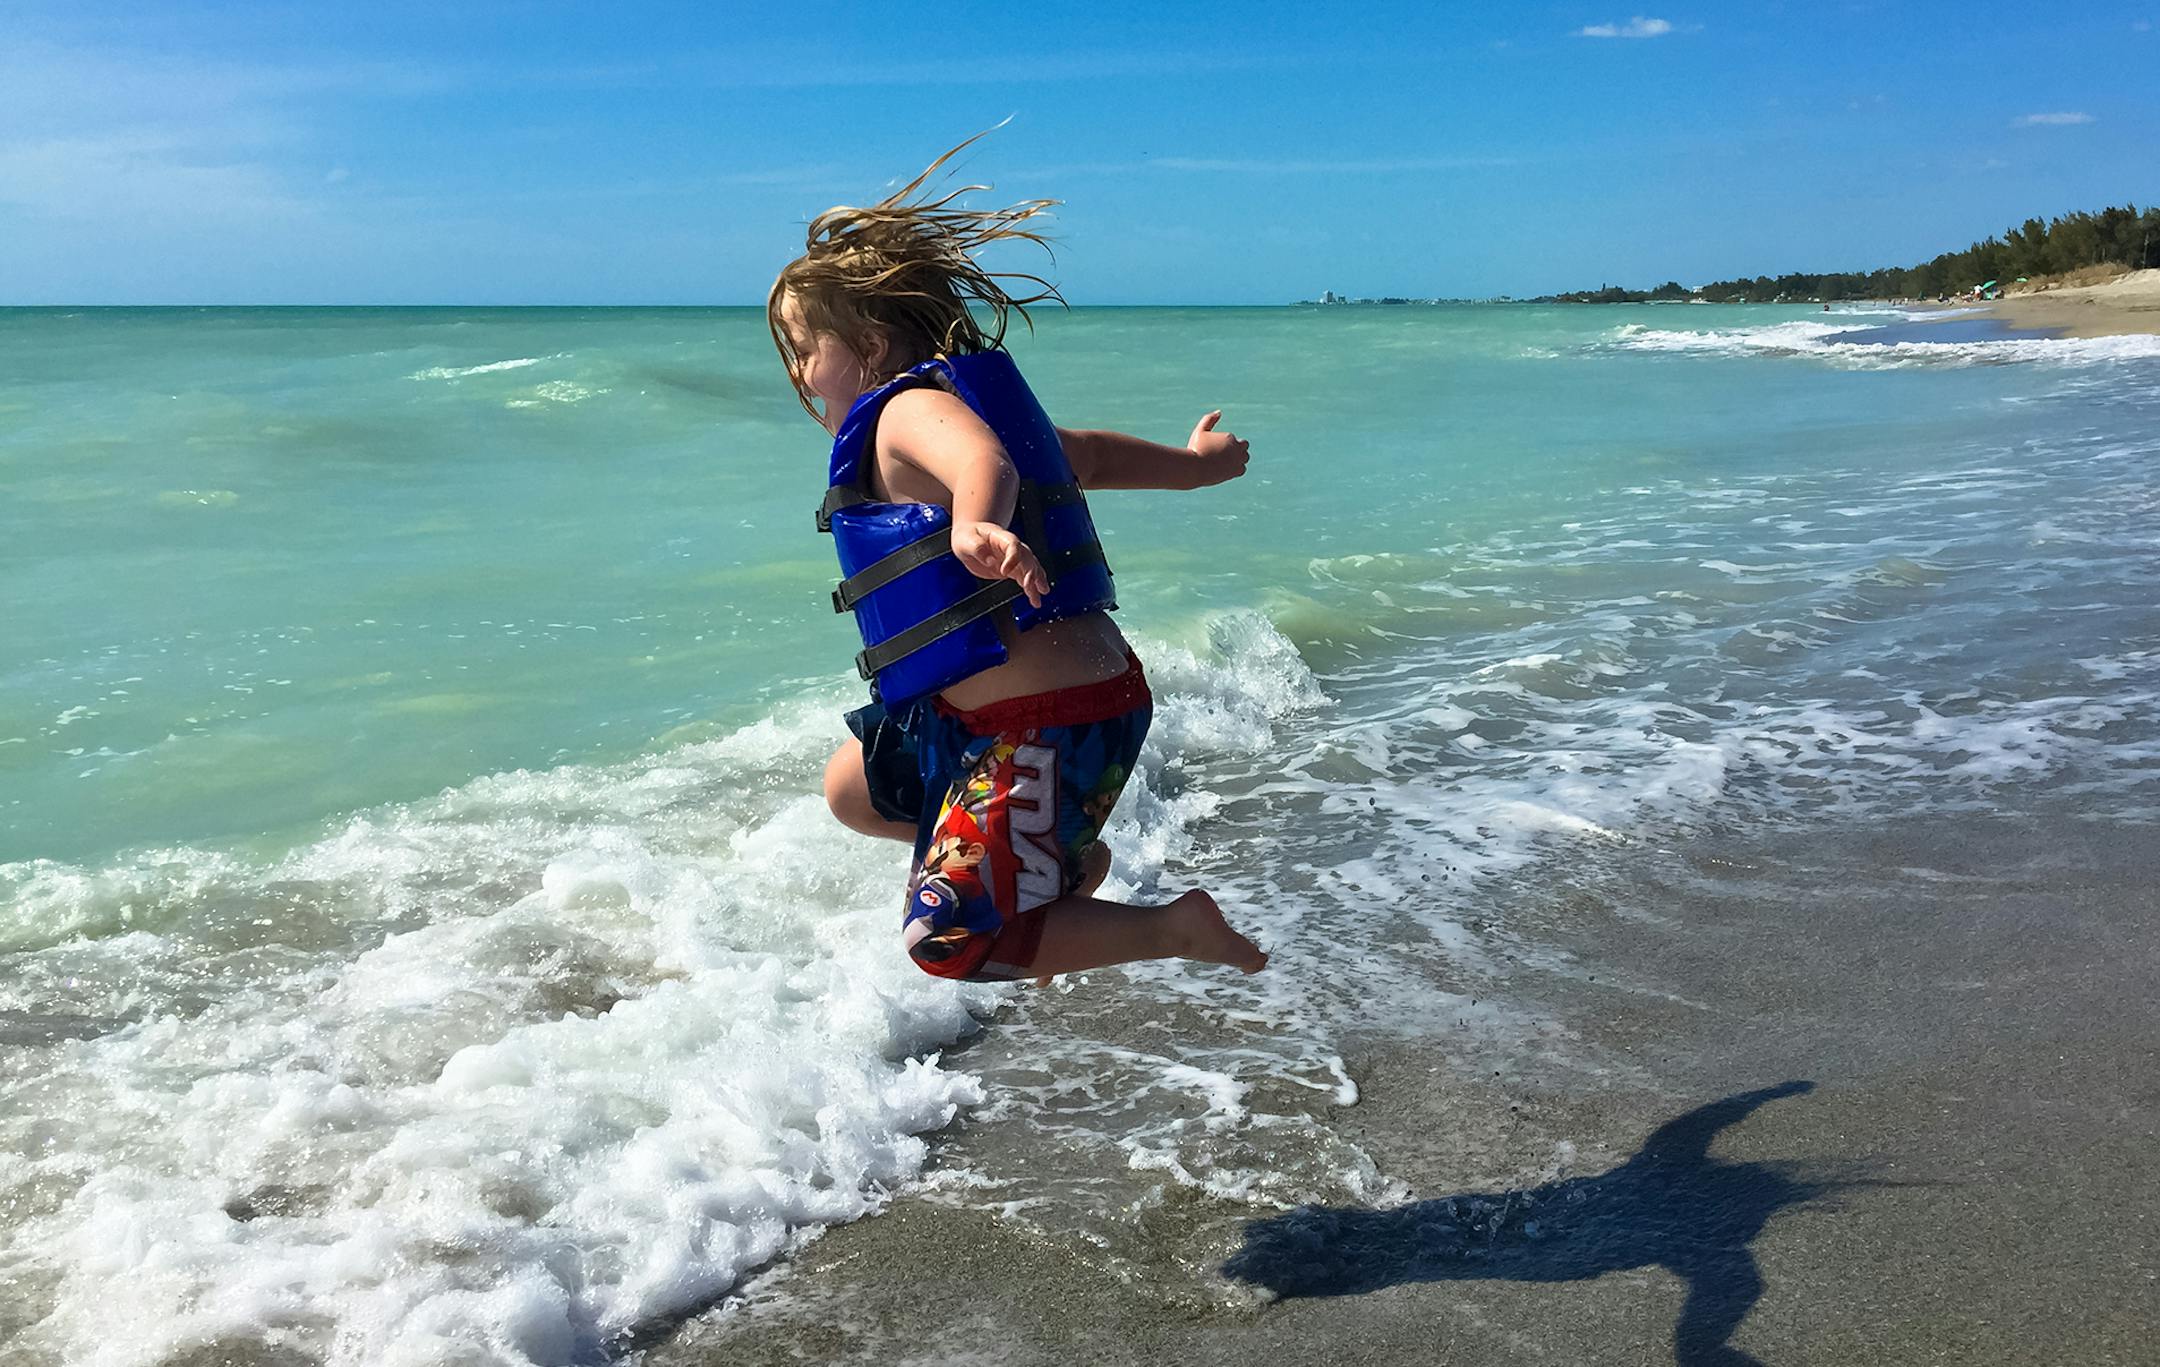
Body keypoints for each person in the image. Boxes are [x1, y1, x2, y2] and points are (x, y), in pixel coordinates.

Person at [767, 138, 1268, 987]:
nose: (801, 373)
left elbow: (983, 465)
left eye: (805, 349)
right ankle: (1046, 871)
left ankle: (1168, 926)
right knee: (855, 786)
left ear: (873, 342)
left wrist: (975, 525)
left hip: (1048, 720)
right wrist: (1197, 465)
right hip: (1039, 709)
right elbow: (1093, 458)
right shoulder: (963, 401)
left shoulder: (910, 413)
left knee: (949, 941)